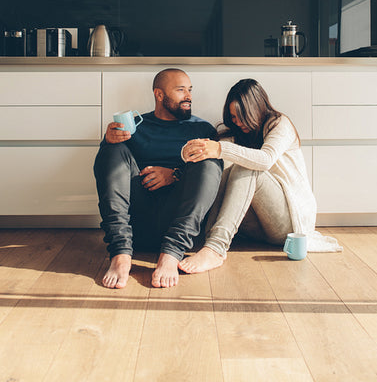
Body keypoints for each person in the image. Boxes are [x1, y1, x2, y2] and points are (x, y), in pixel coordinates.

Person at [179, 78, 341, 274]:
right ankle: (208, 239)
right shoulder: (236, 133)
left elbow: (265, 159)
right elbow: (210, 158)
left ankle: (216, 248)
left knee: (244, 167)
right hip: (256, 227)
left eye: (241, 116)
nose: (237, 122)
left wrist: (221, 148)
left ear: (256, 108)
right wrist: (188, 153)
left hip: (288, 223)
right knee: (220, 162)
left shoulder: (280, 124)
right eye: (233, 117)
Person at [94, 68, 223, 289]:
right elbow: (108, 168)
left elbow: (209, 177)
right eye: (180, 90)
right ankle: (120, 254)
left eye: (190, 90)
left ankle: (170, 256)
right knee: (111, 151)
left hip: (181, 229)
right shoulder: (134, 126)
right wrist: (108, 140)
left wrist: (174, 174)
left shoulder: (201, 129)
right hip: (136, 227)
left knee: (210, 158)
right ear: (159, 94)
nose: (189, 97)